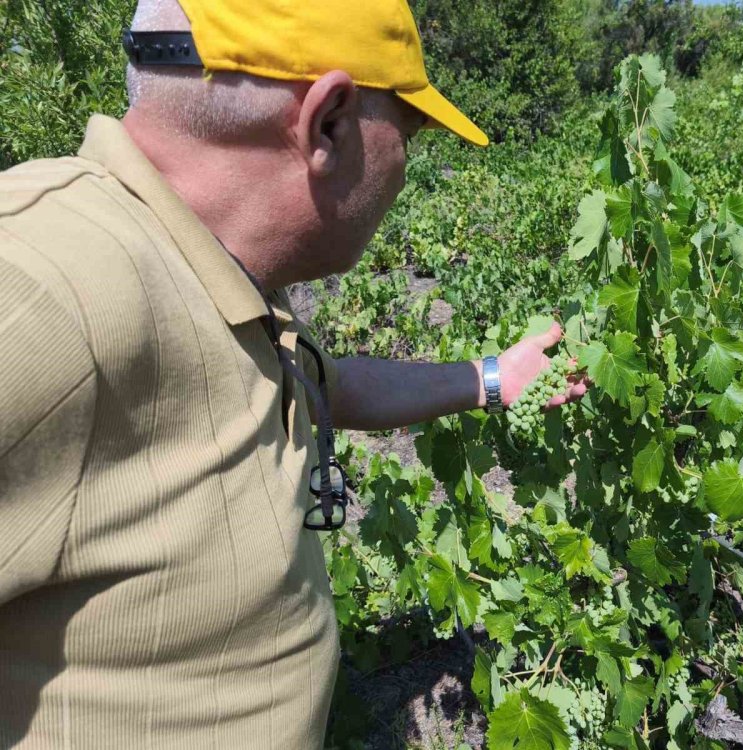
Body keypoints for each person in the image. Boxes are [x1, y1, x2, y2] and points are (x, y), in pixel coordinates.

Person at [0, 0, 587, 746]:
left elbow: (320, 386)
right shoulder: (44, 284)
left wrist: (493, 377)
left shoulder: (201, 271)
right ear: (330, 123)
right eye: (406, 133)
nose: (406, 168)